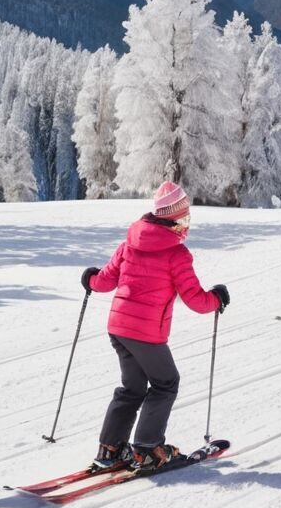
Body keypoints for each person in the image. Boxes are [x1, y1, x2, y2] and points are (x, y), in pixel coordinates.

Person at [82, 181, 229, 472]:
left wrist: (90, 279)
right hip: (146, 333)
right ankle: (148, 449)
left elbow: (106, 280)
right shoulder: (176, 253)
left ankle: (110, 449)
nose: (186, 224)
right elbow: (196, 300)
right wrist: (217, 299)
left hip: (118, 327)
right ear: (173, 218)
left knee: (132, 388)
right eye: (184, 217)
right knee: (166, 383)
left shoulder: (129, 244)